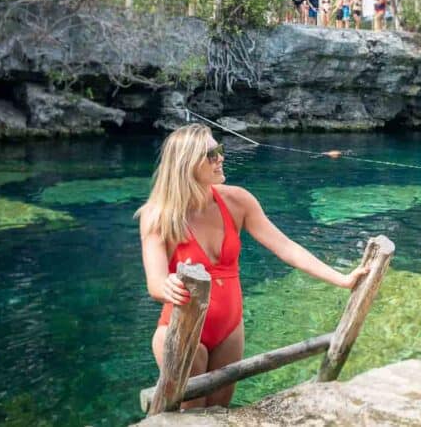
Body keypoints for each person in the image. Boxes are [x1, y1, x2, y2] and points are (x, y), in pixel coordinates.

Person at [135, 124, 369, 408]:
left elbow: (286, 248)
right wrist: (166, 286)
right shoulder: (157, 216)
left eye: (218, 150)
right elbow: (155, 282)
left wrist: (342, 279)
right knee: (192, 415)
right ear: (186, 164)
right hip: (182, 330)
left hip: (229, 330)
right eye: (211, 154)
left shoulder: (238, 201)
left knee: (220, 410)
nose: (220, 157)